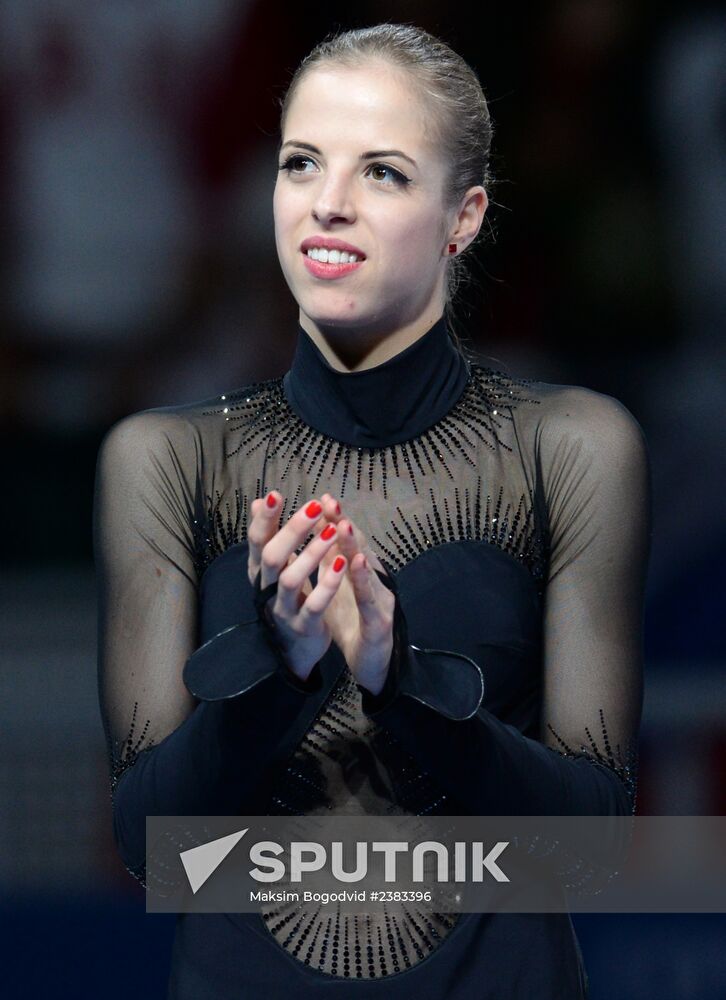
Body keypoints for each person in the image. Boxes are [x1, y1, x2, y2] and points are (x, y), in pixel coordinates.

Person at [93, 23, 652, 999]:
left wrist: (401, 683)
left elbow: (594, 838)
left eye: (383, 173)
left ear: (463, 216)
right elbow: (149, 838)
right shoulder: (167, 458)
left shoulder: (569, 447)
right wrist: (282, 668)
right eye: (301, 162)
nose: (329, 205)